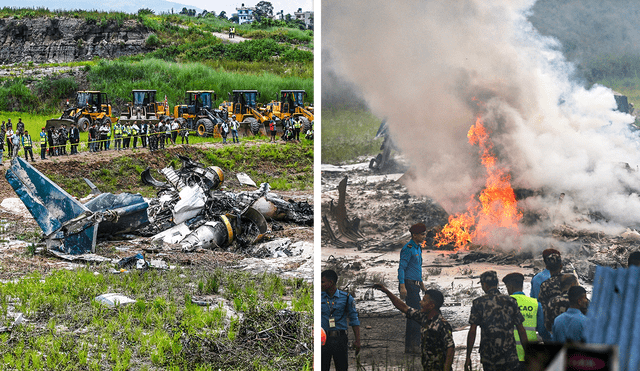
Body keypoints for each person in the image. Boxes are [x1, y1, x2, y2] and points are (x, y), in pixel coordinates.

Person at [374, 284, 454, 370]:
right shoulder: (423, 317)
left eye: (424, 300)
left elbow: (450, 348)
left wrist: (446, 368)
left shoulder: (443, 324)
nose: (420, 302)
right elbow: (404, 307)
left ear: (431, 305)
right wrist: (387, 292)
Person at [465, 271, 528, 371]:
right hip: (509, 356)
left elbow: (472, 331)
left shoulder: (478, 303)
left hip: (489, 358)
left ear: (485, 285)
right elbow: (521, 330)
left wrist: (468, 356)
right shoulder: (510, 301)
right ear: (497, 284)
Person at [503, 272, 550, 367]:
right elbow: (542, 330)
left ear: (509, 287)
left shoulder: (502, 304)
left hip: (508, 356)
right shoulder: (535, 304)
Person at [321, 269, 360, 371]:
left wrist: (358, 341)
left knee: (342, 367)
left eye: (322, 282)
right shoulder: (319, 298)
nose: (320, 284)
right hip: (323, 340)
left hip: (340, 339)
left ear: (331, 282)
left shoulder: (346, 298)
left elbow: (354, 319)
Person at [398, 222, 428, 354]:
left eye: (424, 234)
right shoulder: (408, 248)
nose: (424, 236)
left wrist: (422, 286)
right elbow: (401, 268)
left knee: (412, 316)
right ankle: (414, 346)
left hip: (415, 285)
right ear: (414, 235)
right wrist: (402, 286)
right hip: (409, 286)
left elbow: (417, 269)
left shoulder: (418, 248)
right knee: (416, 315)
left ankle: (410, 347)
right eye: (422, 234)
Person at [538, 250, 564, 324]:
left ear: (547, 267)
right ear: (561, 266)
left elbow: (542, 306)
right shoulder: (570, 280)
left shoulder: (545, 285)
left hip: (551, 324)